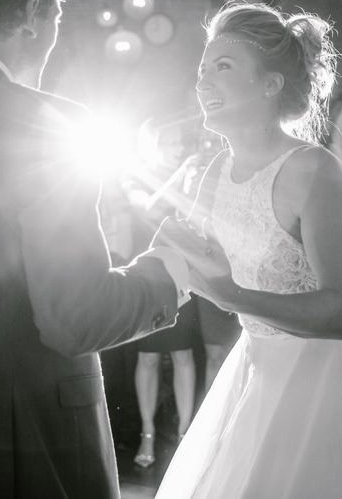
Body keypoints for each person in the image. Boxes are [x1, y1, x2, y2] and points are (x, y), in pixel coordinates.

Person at [0, 0, 207, 497]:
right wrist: (171, 270)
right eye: (56, 11)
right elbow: (74, 316)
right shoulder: (50, 127)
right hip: (23, 442)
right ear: (31, 14)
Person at [155, 2, 342, 498]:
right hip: (253, 373)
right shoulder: (214, 172)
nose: (202, 83)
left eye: (222, 68)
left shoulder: (316, 171)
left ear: (270, 84)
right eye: (202, 69)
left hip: (324, 383)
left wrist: (235, 297)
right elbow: (185, 265)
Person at [124, 120, 198, 468]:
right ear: (153, 145)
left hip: (183, 273)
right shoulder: (135, 178)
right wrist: (181, 172)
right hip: (149, 276)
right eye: (171, 143)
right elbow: (149, 208)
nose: (178, 149)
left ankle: (184, 432)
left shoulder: (189, 179)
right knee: (149, 358)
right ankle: (147, 433)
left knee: (183, 355)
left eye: (181, 144)